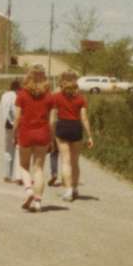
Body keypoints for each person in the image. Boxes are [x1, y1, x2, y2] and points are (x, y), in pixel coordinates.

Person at [13, 65, 55, 213]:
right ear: (44, 77)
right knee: (38, 169)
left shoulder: (22, 95)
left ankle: (28, 189)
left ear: (29, 76)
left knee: (23, 166)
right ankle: (38, 202)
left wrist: (14, 133)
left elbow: (17, 117)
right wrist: (52, 139)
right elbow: (51, 122)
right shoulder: (50, 96)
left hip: (25, 132)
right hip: (43, 133)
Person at [50, 71, 95, 201]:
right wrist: (90, 136)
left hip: (62, 127)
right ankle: (75, 188)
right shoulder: (81, 98)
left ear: (61, 82)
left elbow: (52, 118)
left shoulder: (56, 97)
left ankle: (68, 191)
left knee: (65, 161)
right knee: (75, 162)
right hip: (76, 128)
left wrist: (52, 135)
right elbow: (84, 118)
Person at [0, 80, 21, 183]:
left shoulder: (4, 95)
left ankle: (7, 175)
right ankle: (18, 177)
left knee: (8, 150)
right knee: (18, 149)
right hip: (16, 124)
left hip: (6, 124)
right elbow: (15, 111)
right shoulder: (17, 96)